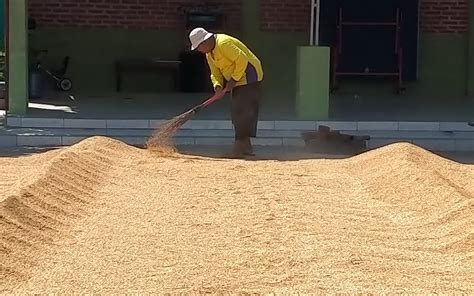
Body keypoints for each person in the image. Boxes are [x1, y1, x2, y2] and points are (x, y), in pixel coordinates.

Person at [189, 27, 264, 158]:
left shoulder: (223, 43)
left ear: (205, 42)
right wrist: (217, 86)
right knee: (238, 112)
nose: (199, 51)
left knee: (242, 111)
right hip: (237, 80)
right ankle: (246, 146)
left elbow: (242, 59)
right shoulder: (209, 55)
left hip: (250, 76)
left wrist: (233, 80)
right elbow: (215, 73)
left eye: (198, 47)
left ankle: (239, 149)